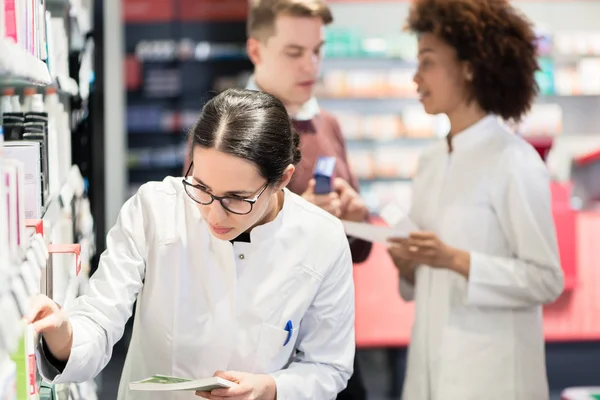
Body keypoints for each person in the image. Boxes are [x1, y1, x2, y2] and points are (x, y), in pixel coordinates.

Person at [27, 88, 356, 400]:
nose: (214, 213)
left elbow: (329, 366)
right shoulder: (155, 209)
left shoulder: (321, 238)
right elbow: (100, 317)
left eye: (237, 198)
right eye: (201, 185)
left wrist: (271, 388)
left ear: (281, 180)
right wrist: (63, 333)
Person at [388, 1, 565, 399]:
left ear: (470, 66)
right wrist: (408, 265)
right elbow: (421, 281)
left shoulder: (514, 162)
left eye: (428, 62)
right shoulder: (430, 161)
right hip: (428, 377)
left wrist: (456, 260)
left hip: (495, 379)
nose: (416, 78)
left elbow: (546, 279)